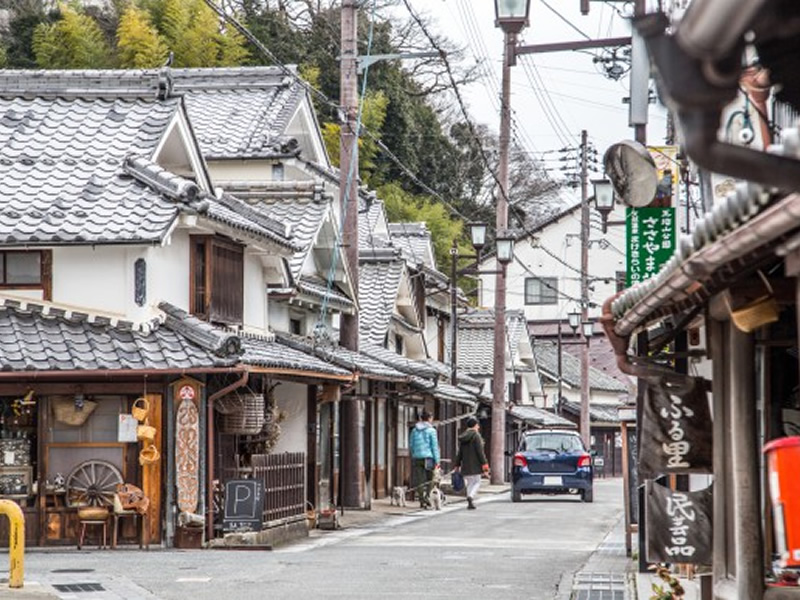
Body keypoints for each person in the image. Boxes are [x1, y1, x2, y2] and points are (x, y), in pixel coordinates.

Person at [453, 416, 489, 510]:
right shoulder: (476, 436)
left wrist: (457, 464)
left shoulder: (463, 436)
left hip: (465, 464)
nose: (478, 427)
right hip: (476, 464)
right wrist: (485, 465)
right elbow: (480, 452)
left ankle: (470, 501)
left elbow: (460, 452)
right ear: (475, 425)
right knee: (477, 482)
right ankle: (471, 497)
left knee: (469, 483)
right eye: (477, 425)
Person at [409, 410, 440, 509]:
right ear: (430, 418)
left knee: (420, 480)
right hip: (429, 457)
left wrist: (414, 454)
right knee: (430, 479)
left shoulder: (414, 430)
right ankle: (427, 497)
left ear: (421, 419)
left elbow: (411, 445)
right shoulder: (431, 430)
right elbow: (434, 446)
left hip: (417, 457)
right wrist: (437, 461)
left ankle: (422, 500)